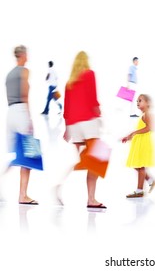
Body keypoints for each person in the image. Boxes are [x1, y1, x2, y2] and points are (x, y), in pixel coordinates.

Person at [0, 45, 38, 205]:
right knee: (29, 154)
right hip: (20, 112)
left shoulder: (9, 74)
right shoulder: (24, 71)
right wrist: (29, 118)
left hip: (10, 112)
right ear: (23, 55)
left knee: (15, 154)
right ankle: (23, 195)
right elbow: (25, 94)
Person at [63, 51, 106, 208]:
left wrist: (67, 129)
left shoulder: (69, 83)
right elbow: (92, 98)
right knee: (96, 160)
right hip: (88, 122)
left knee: (86, 161)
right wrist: (98, 112)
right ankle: (91, 199)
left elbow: (66, 109)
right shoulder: (89, 74)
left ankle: (60, 182)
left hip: (74, 126)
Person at [122, 94, 155, 198]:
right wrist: (130, 135)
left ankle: (139, 190)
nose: (137, 102)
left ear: (147, 103)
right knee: (136, 165)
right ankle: (151, 181)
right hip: (140, 143)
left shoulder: (147, 114)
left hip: (144, 144)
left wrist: (134, 133)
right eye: (137, 101)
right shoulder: (143, 115)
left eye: (140, 100)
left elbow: (149, 128)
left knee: (140, 167)